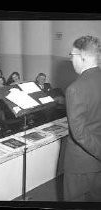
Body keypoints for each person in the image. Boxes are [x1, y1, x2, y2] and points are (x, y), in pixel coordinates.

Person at [63, 35, 101, 201]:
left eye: (72, 55)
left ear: (82, 57)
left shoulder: (75, 89)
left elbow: (79, 133)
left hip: (81, 163)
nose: (71, 60)